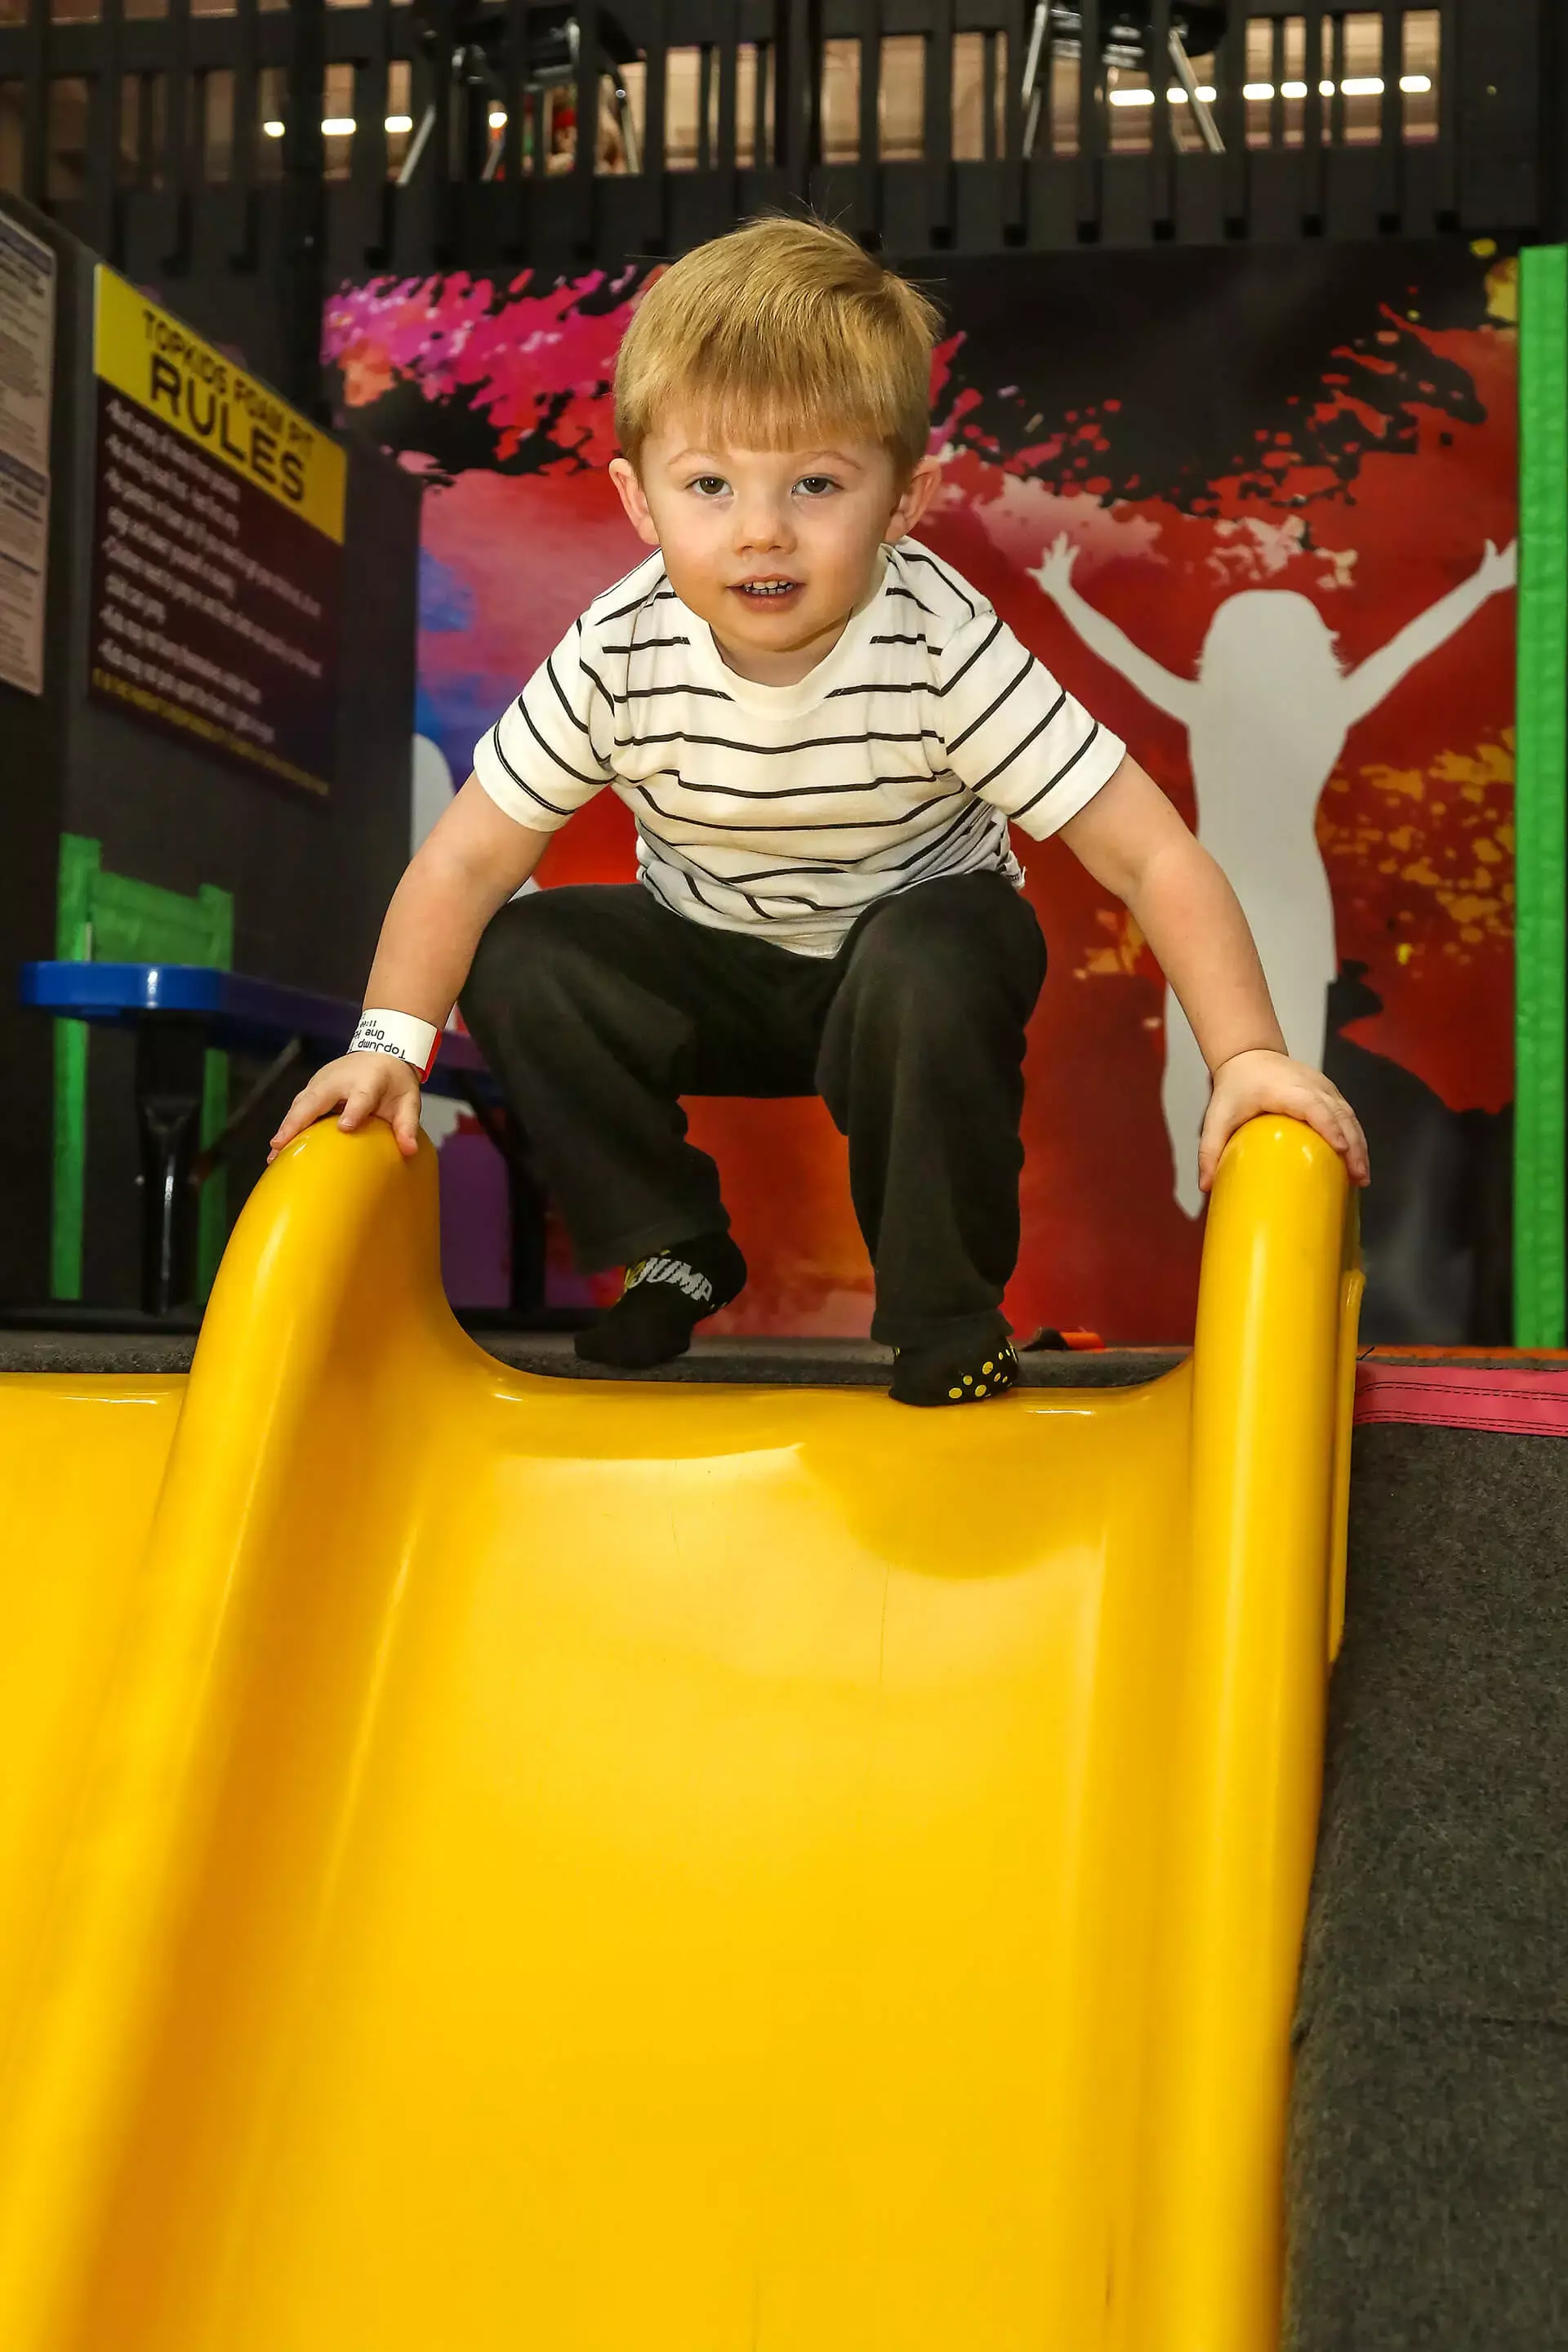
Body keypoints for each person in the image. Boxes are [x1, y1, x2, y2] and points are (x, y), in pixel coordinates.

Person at [270, 216, 1368, 1406]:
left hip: (908, 966)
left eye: (816, 485)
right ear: (640, 502)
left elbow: (1152, 856)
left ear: (904, 499)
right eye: (710, 485)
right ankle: (674, 1246)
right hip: (714, 964)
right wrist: (387, 1050)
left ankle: (947, 1317)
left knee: (935, 953)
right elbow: (464, 864)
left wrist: (1249, 1058)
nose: (762, 530)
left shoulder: (938, 644)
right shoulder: (620, 649)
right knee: (521, 950)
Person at [1034, 532, 1515, 1216]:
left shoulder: (1214, 706)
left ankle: (1196, 1188)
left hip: (1210, 897)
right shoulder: (1321, 707)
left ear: (1224, 649)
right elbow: (1408, 650)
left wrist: (1063, 593)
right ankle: (1262, 1193)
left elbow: (1122, 657)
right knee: (1291, 1061)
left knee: (1201, 1052)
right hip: (1252, 898)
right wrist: (1483, 586)